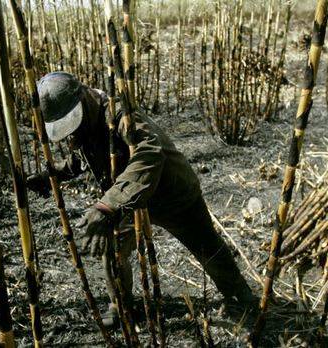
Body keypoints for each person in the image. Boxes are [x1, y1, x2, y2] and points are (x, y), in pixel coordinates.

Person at [28, 71, 256, 327]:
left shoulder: (118, 114)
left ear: (84, 97)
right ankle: (121, 308)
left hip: (170, 191)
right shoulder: (85, 122)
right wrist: (54, 174)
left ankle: (242, 301)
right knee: (113, 248)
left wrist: (106, 205)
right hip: (126, 196)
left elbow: (148, 154)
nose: (73, 132)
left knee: (206, 247)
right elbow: (84, 157)